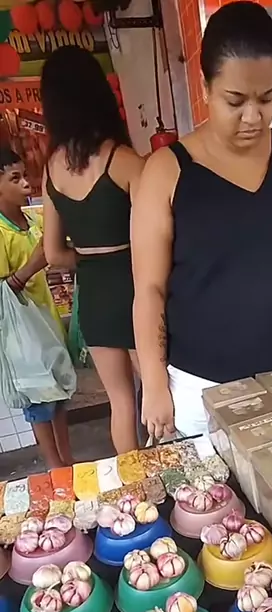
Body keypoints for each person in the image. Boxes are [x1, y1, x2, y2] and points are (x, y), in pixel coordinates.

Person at [132, 0, 272, 440]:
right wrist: (154, 385)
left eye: (267, 98)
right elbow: (149, 290)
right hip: (207, 391)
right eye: (236, 100)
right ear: (206, 87)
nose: (253, 116)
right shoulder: (166, 172)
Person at [40, 45, 144, 454]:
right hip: (139, 291)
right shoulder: (124, 159)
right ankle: (175, 476)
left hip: (95, 298)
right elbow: (164, 232)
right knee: (160, 391)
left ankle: (136, 485)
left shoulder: (51, 169)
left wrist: (88, 258)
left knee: (121, 402)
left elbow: (53, 254)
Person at [0, 147, 73, 469]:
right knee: (39, 404)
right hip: (22, 335)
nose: (26, 183)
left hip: (48, 323)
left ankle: (68, 460)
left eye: (25, 175)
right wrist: (32, 265)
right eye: (15, 178)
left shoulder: (35, 220)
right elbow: (3, 294)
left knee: (59, 397)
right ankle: (55, 466)